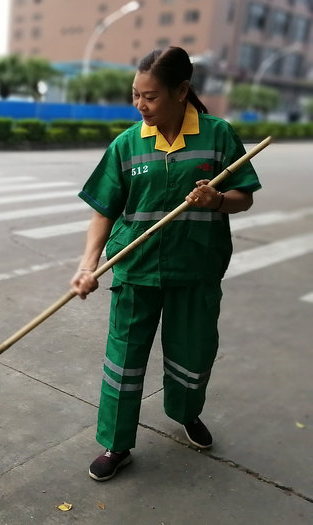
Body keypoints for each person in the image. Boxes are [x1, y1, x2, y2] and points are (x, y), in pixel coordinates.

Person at [70, 47, 262, 482]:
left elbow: (244, 196)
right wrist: (88, 263)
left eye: (151, 96)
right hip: (136, 269)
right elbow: (103, 209)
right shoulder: (127, 143)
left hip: (196, 268)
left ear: (182, 91)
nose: (140, 105)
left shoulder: (218, 136)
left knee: (193, 353)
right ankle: (117, 442)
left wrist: (218, 200)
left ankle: (186, 412)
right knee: (124, 359)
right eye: (135, 94)